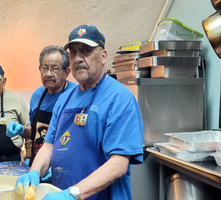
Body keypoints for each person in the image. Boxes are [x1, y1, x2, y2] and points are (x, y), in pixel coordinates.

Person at [14, 25, 144, 200]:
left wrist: (72, 194)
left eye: (86, 51)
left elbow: (119, 163)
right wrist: (34, 172)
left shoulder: (119, 98)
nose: (77, 59)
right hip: (60, 191)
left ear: (103, 56)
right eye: (73, 53)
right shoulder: (65, 99)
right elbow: (49, 145)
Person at [6, 46, 76, 166]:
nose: (49, 74)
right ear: (39, 69)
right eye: (45, 68)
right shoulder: (37, 95)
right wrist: (22, 130)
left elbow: (77, 137)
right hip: (38, 164)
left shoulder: (75, 95)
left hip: (64, 165)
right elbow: (35, 132)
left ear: (67, 72)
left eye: (55, 69)